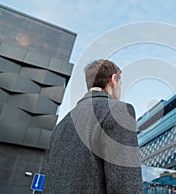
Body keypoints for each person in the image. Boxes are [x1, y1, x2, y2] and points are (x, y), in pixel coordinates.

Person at [43, 59, 143, 193]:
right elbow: (126, 184)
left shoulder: (62, 124)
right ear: (113, 79)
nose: (120, 88)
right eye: (120, 83)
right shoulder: (118, 111)